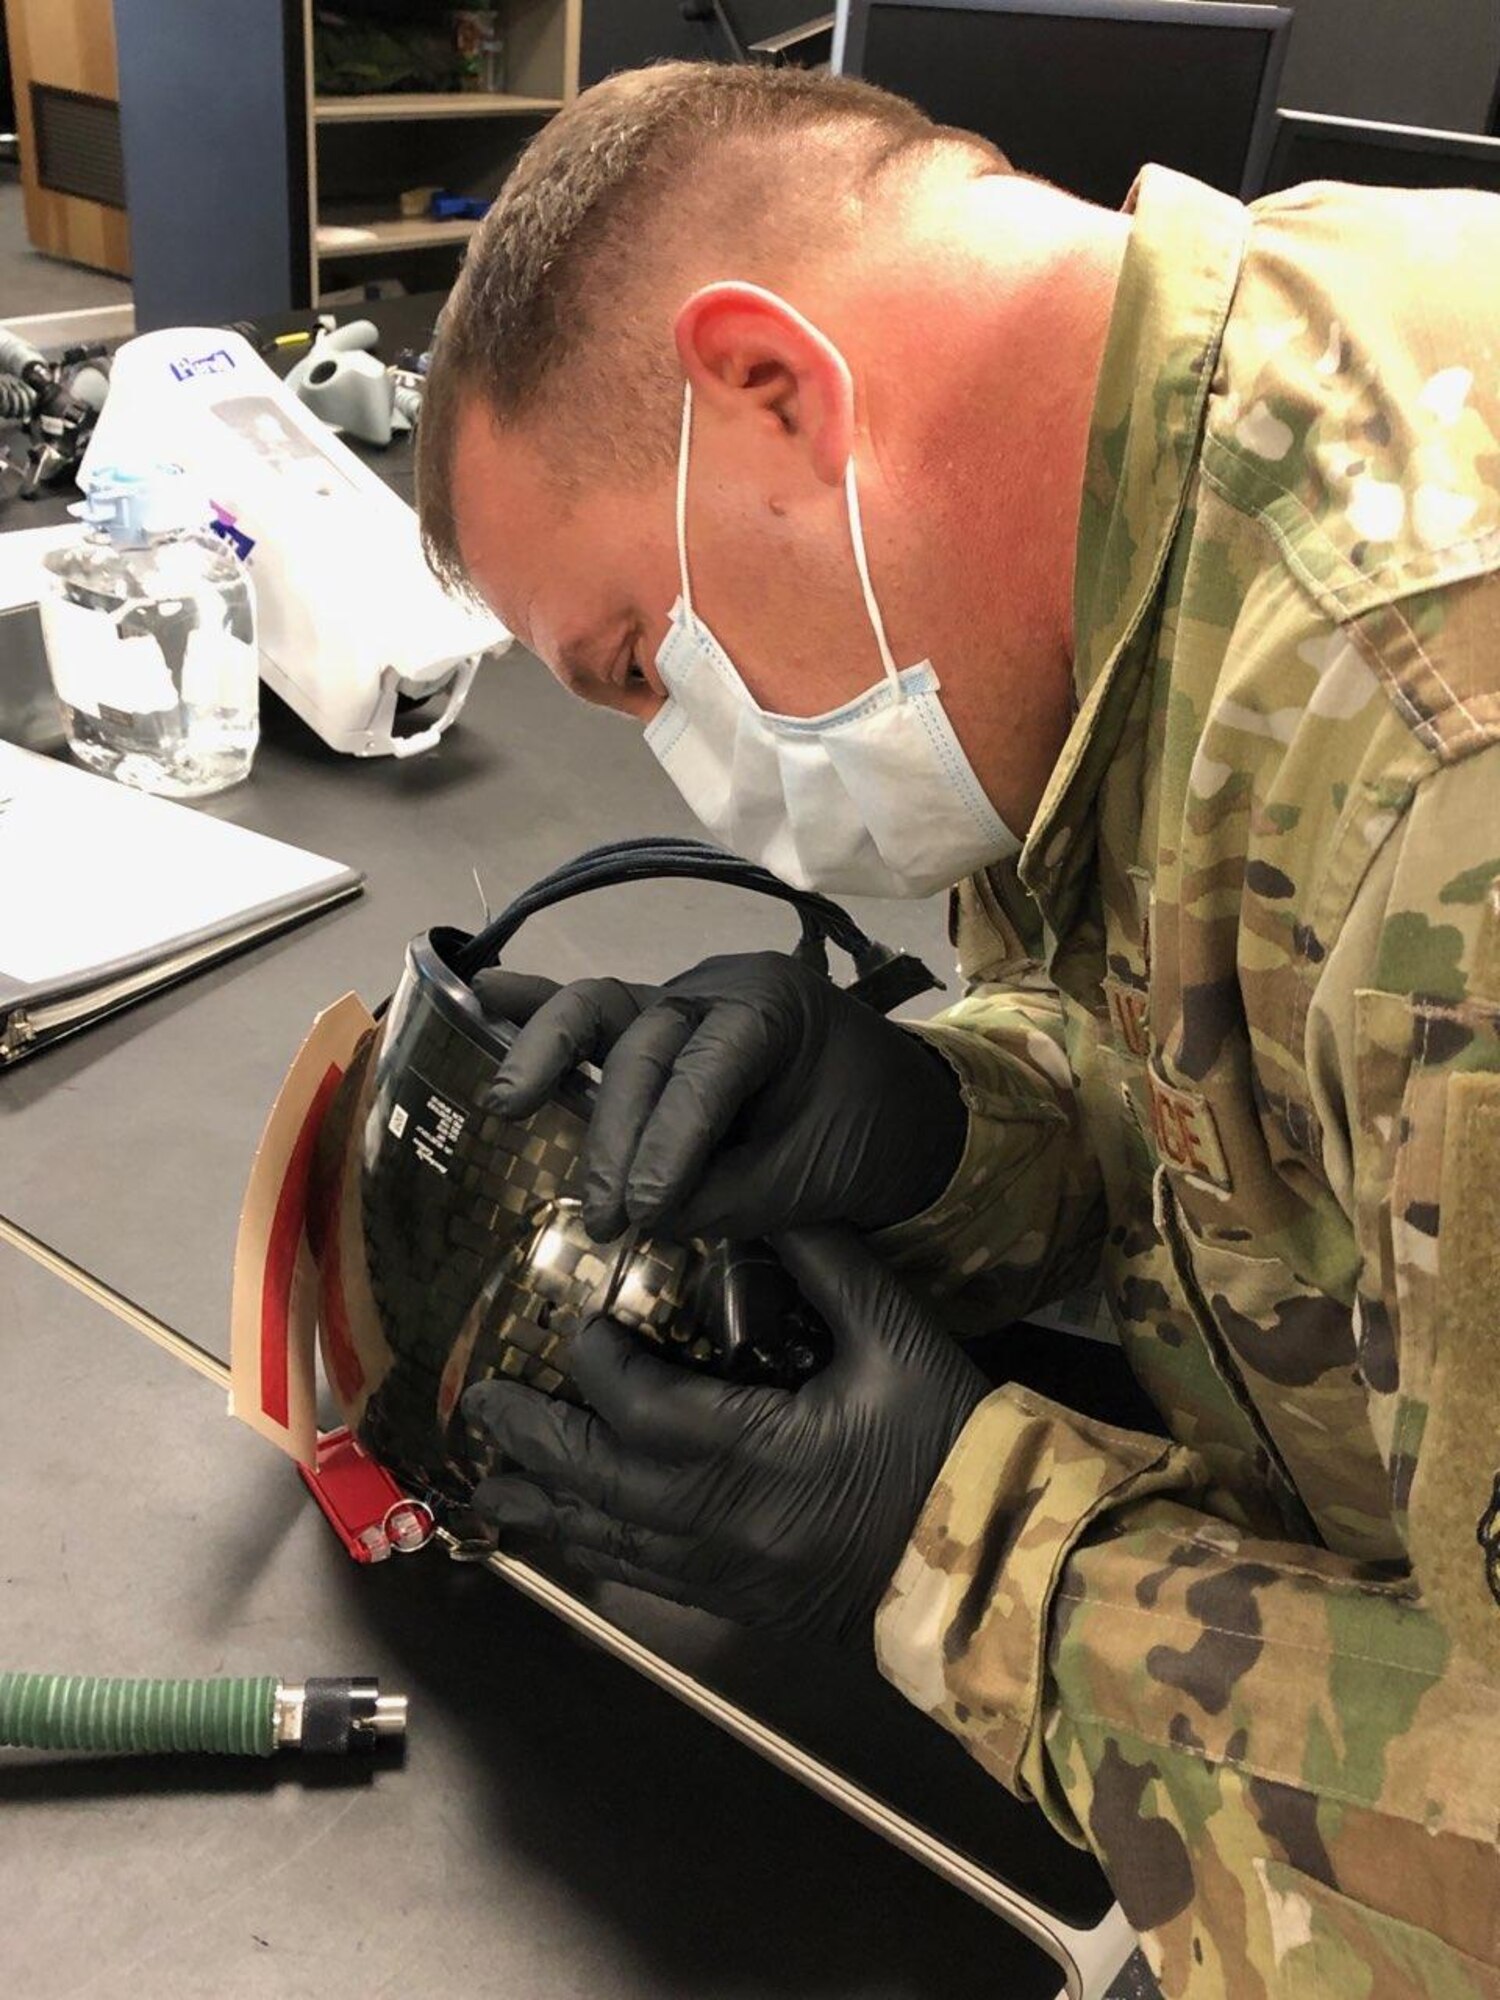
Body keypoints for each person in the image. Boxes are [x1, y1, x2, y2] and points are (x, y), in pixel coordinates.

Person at [415, 61, 1500, 1999]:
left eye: (643, 658)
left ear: (777, 389)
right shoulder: (1152, 503)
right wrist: (938, 1116)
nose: (677, 746)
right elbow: (1244, 1075)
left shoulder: (1453, 761)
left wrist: (962, 1548)